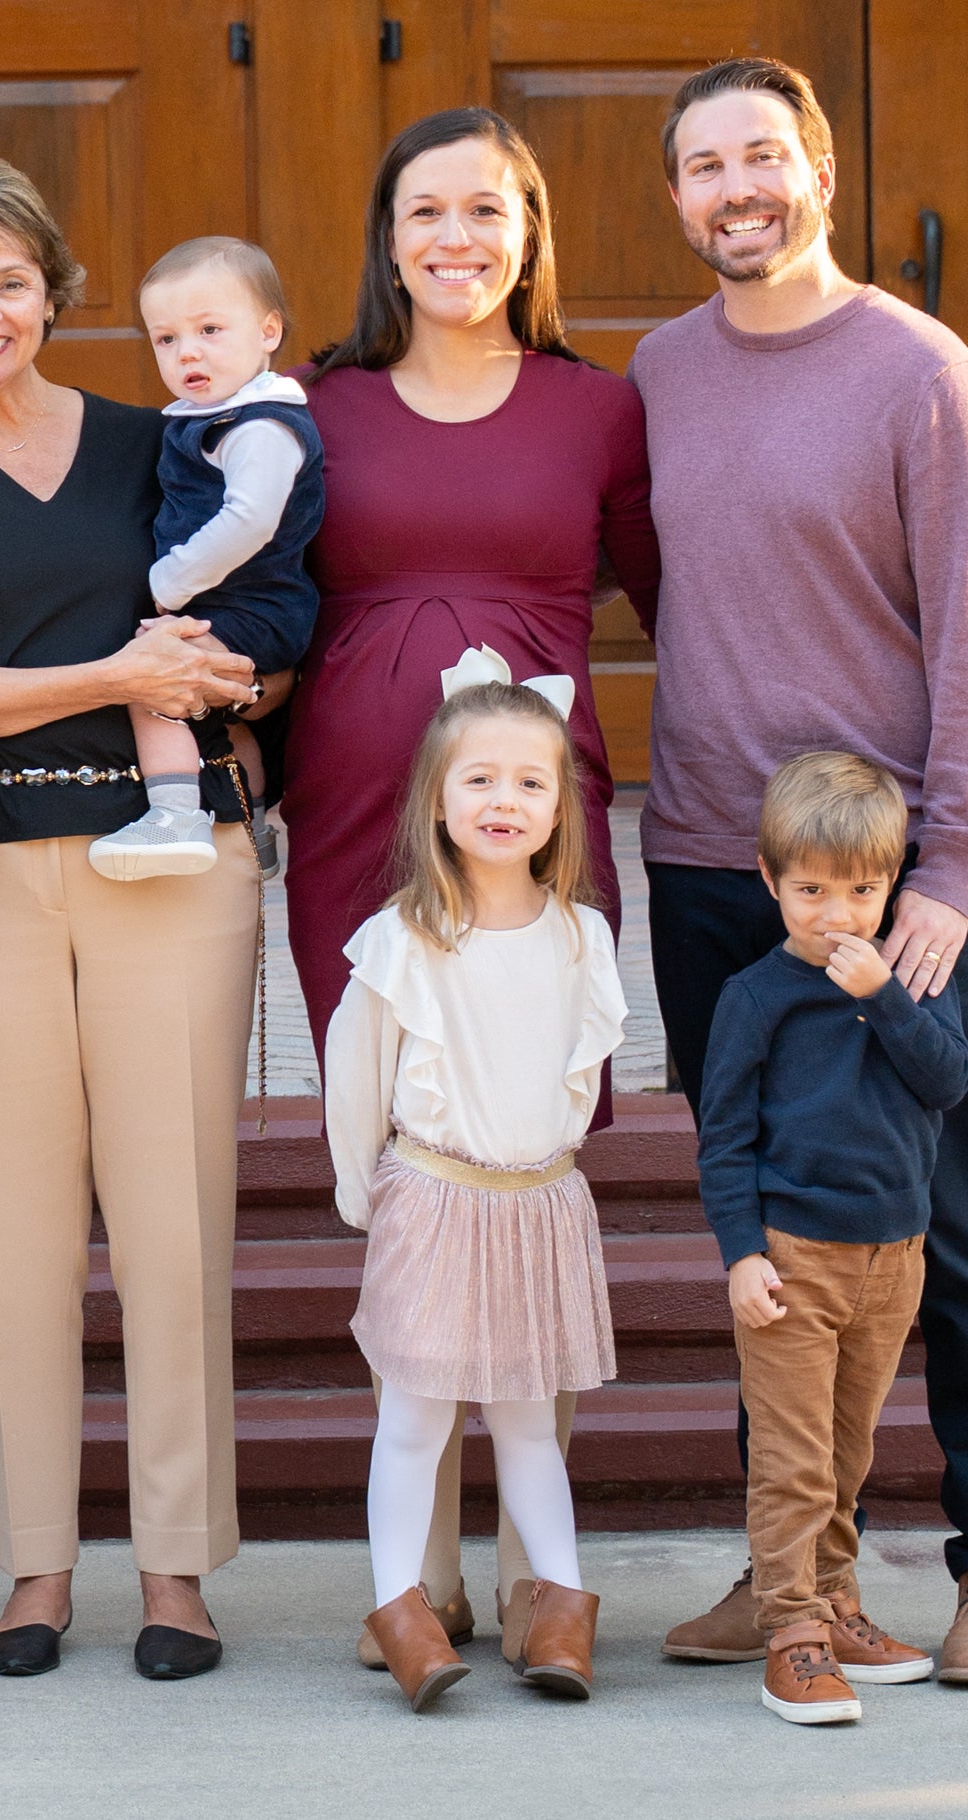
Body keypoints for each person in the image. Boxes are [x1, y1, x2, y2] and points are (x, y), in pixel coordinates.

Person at [0, 145, 263, 1683]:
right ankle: (34, 1567)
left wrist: (208, 675)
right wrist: (119, 675)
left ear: (55, 292)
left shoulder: (160, 440)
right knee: (12, 1224)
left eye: (11, 280)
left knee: (173, 1218)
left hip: (173, 865)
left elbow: (249, 633)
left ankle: (175, 1567)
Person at [634, 57, 968, 1684]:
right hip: (715, 878)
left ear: (818, 165)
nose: (735, 187)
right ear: (674, 199)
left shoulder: (919, 372)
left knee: (958, 1218)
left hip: (891, 891)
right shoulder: (658, 373)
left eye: (761, 155)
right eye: (702, 166)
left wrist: (953, 869)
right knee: (771, 1242)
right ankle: (791, 1575)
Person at [285, 107, 658, 1662]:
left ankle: (537, 1576)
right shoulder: (315, 404)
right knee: (411, 1144)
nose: (456, 237)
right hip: (359, 819)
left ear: (530, 231)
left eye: (486, 210)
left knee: (521, 1146)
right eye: (425, 210)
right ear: (386, 237)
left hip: (532, 822)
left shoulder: (600, 408)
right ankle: (414, 1580)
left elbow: (683, 591)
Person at [324, 655, 623, 1712]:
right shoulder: (404, 940)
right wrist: (370, 1200)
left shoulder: (582, 938)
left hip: (537, 1200)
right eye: (480, 780)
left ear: (560, 806)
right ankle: (400, 1605)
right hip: (436, 1199)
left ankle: (562, 1605)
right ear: (438, 800)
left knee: (530, 1421)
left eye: (530, 783)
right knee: (414, 1418)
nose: (505, 801)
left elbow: (576, 1077)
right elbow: (353, 1074)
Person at [698, 752, 968, 1726]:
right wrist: (742, 1251)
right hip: (794, 1258)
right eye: (810, 891)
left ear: (889, 883)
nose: (836, 914)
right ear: (771, 882)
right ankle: (792, 1635)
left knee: (849, 1456)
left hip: (894, 1257)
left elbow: (948, 1083)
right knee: (794, 1459)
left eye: (860, 891)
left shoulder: (912, 983)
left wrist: (884, 993)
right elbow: (724, 1136)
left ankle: (838, 1603)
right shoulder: (756, 998)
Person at [87, 236, 324, 881]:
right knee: (217, 720)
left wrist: (170, 580)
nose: (187, 351)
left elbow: (250, 520)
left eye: (210, 330)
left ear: (268, 330)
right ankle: (252, 825)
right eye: (165, 339)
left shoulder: (259, 427)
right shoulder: (208, 417)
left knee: (153, 683)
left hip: (256, 604)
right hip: (238, 604)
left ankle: (174, 815)